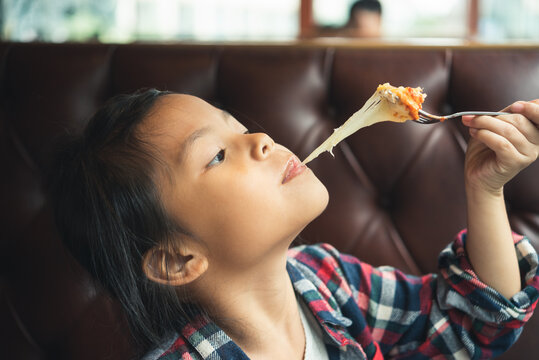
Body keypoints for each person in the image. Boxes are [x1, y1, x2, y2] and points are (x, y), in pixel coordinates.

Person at [49, 89, 539, 359]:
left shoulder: (325, 278)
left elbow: (471, 324)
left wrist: (486, 188)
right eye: (217, 155)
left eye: (238, 126)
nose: (260, 138)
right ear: (178, 259)